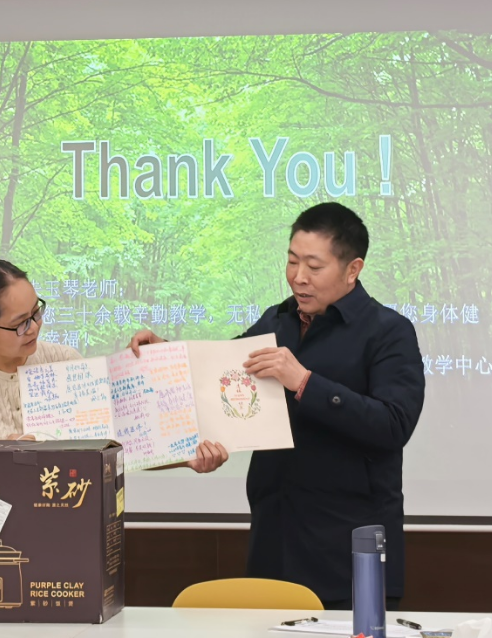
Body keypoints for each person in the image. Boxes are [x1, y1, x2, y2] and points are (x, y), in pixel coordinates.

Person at [130, 202, 425, 609]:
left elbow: (393, 425)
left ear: (353, 269)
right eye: (292, 261)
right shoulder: (277, 320)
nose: (298, 277)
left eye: (314, 266)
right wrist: (166, 354)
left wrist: (304, 382)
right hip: (274, 544)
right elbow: (222, 370)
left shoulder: (389, 332)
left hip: (347, 556)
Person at [0, 259, 225, 491]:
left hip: (73, 531)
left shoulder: (63, 362)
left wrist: (187, 459)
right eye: (20, 323)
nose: (34, 327)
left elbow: (117, 444)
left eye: (36, 312)